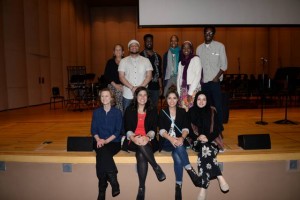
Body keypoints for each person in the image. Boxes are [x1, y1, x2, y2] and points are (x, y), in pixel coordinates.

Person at [123, 86, 166, 200]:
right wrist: (133, 138)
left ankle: (141, 187)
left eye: (145, 95)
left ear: (148, 97)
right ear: (136, 97)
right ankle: (156, 167)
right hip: (133, 140)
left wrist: (147, 137)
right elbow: (126, 128)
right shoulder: (129, 109)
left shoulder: (152, 110)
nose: (142, 97)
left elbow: (153, 129)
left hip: (148, 140)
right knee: (141, 146)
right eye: (140, 95)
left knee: (141, 153)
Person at [158, 87, 201, 200]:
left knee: (177, 156)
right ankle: (190, 170)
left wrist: (181, 137)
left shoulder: (182, 112)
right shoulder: (162, 112)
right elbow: (161, 130)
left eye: (174, 98)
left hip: (179, 140)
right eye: (169, 98)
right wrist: (171, 139)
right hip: (167, 142)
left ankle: (178, 186)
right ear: (166, 100)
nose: (172, 101)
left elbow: (186, 128)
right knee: (179, 147)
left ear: (177, 100)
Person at [188, 91, 229, 200]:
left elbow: (217, 130)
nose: (201, 101)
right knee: (204, 148)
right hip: (196, 142)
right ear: (195, 100)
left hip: (212, 141)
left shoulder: (212, 111)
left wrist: (208, 138)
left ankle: (203, 187)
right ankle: (219, 176)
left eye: (204, 99)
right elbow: (188, 130)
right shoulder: (191, 111)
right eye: (199, 99)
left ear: (207, 101)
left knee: (205, 150)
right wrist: (198, 137)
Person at [91, 88, 123, 200]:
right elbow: (93, 130)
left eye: (107, 96)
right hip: (99, 141)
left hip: (113, 142)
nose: (104, 98)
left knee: (101, 155)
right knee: (102, 152)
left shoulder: (117, 112)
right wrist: (98, 139)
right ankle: (113, 180)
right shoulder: (96, 112)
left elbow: (118, 131)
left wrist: (105, 141)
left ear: (112, 98)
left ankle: (102, 189)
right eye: (102, 96)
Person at [196, 26, 228, 132]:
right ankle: (208, 128)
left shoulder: (220, 46)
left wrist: (216, 78)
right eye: (206, 33)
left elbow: (224, 65)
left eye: (210, 33)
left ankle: (219, 129)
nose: (208, 35)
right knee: (205, 107)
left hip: (215, 82)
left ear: (214, 34)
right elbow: (197, 67)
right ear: (203, 33)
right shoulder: (199, 48)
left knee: (218, 106)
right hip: (204, 83)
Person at [118, 39, 153, 111]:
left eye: (136, 45)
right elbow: (121, 77)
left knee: (143, 114)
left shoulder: (146, 60)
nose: (134, 47)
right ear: (129, 48)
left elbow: (149, 76)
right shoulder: (123, 61)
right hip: (128, 94)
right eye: (132, 46)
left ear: (139, 47)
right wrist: (132, 88)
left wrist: (140, 88)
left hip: (143, 94)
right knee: (127, 116)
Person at [177, 41, 202, 111]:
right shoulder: (180, 63)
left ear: (191, 49)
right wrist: (179, 93)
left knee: (194, 110)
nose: (186, 49)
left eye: (188, 48)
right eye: (184, 48)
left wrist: (190, 93)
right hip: (183, 89)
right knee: (184, 111)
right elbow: (179, 78)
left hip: (193, 89)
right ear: (182, 50)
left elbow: (198, 75)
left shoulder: (196, 59)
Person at [140, 34, 163, 107]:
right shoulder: (140, 55)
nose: (149, 42)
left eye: (150, 41)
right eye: (147, 41)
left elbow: (159, 73)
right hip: (144, 86)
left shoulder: (158, 56)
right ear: (144, 42)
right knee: (144, 107)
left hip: (155, 87)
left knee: (155, 107)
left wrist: (160, 87)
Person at [104, 44, 124, 112]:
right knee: (112, 100)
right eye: (116, 50)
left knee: (121, 100)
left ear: (123, 52)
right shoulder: (110, 62)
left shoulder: (126, 62)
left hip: (123, 86)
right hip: (112, 85)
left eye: (120, 50)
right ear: (113, 52)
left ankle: (120, 118)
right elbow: (106, 75)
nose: (118, 51)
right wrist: (115, 85)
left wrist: (123, 86)